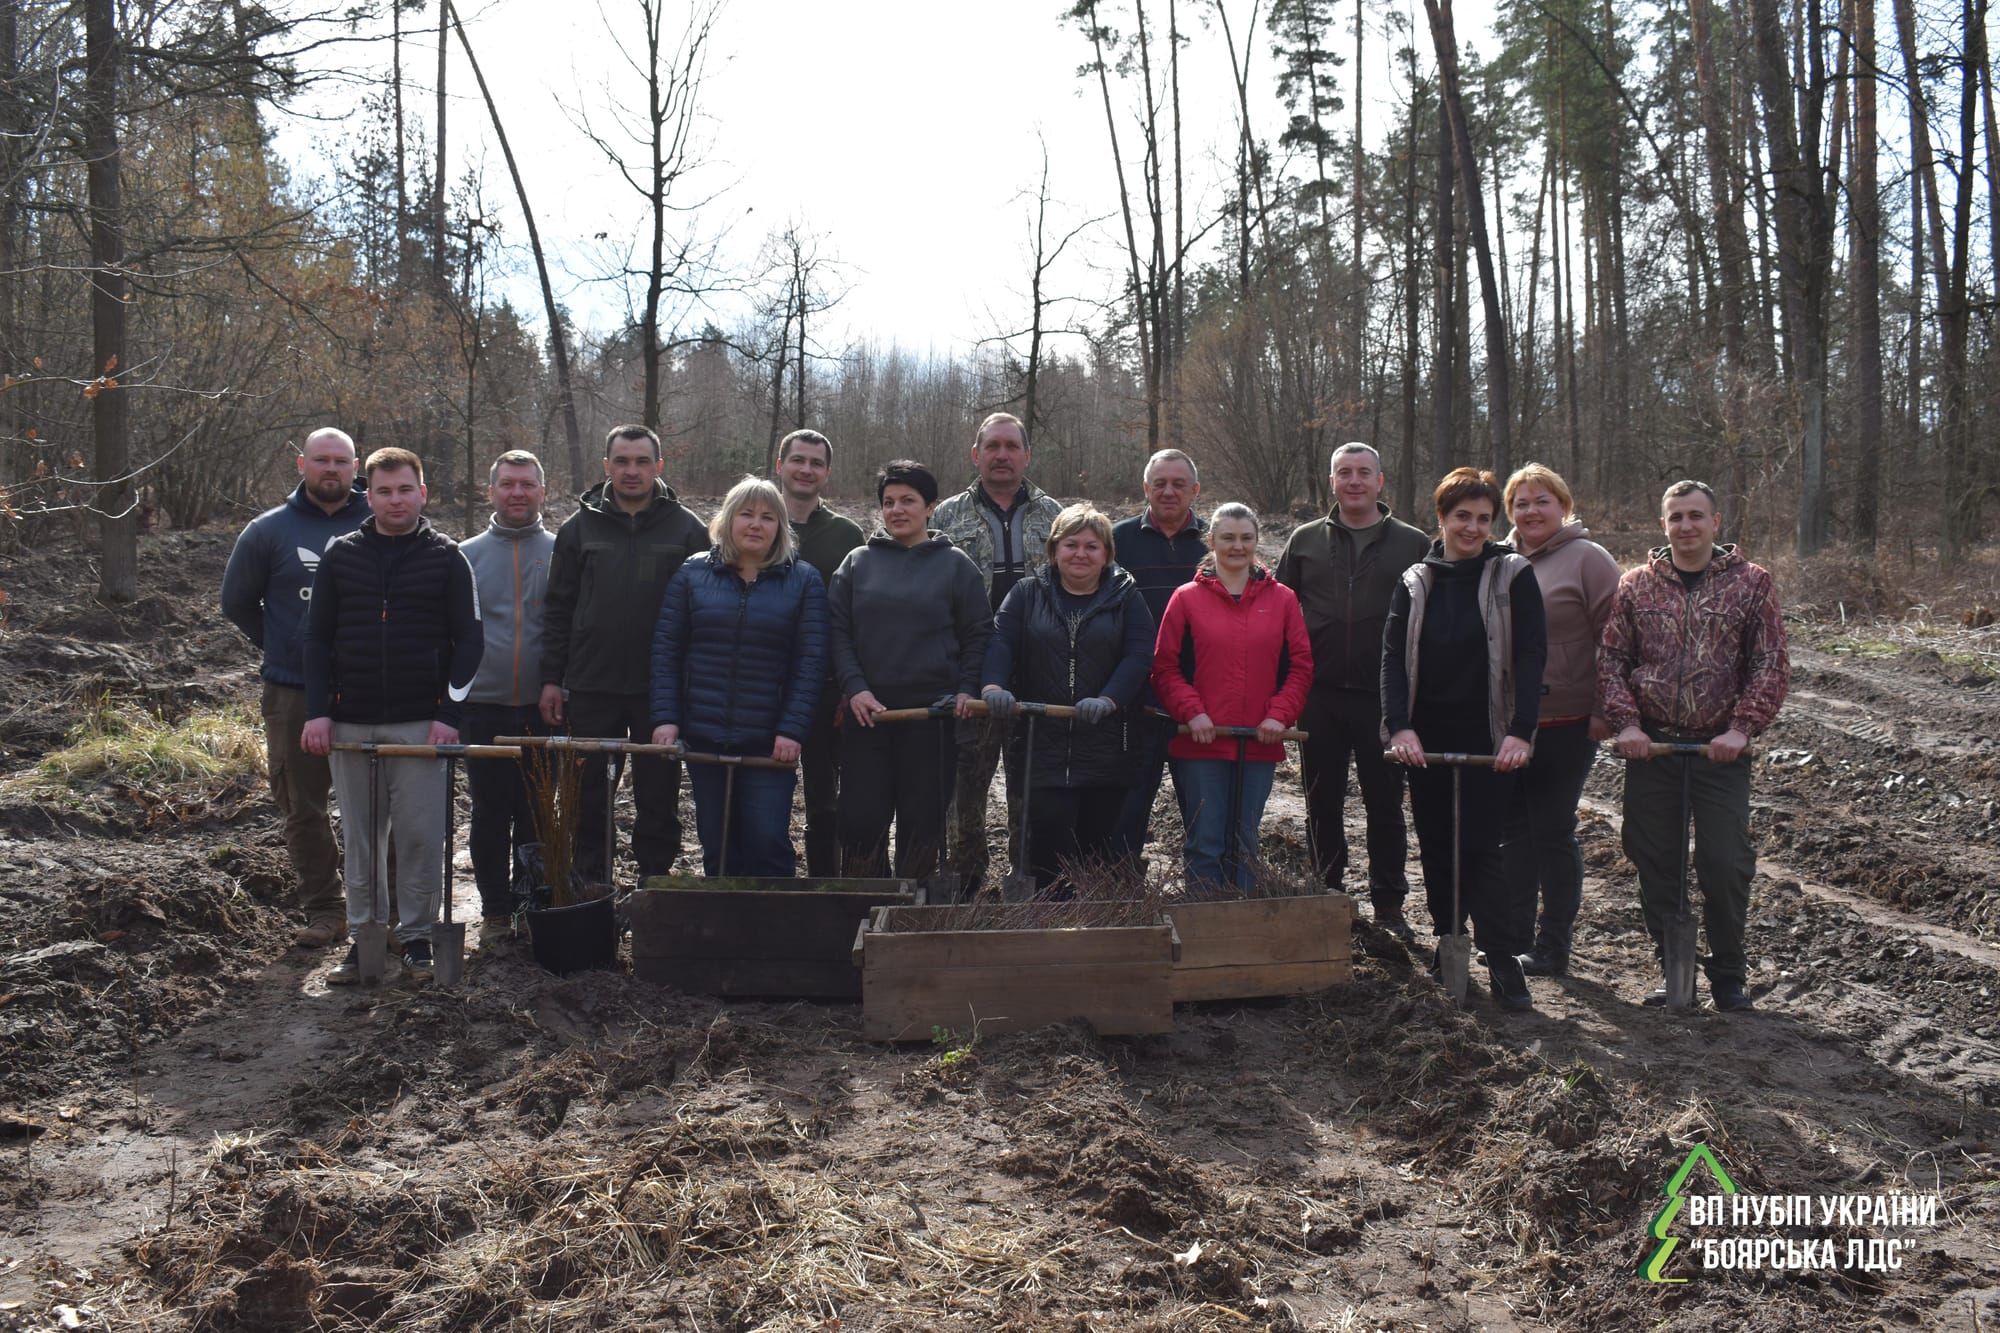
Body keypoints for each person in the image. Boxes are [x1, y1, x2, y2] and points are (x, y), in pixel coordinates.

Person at [1600, 480, 1789, 1012]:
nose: (1686, 526)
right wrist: (1628, 726)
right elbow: (1613, 662)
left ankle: (1729, 974)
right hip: (1653, 748)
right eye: (1676, 517)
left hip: (1718, 751)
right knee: (1654, 859)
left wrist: (1741, 729)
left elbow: (1770, 663)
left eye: (1695, 516)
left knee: (1725, 862)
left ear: (1716, 522)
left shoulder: (1751, 584)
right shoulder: (1636, 585)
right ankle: (1673, 970)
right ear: (1663, 524)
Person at [301, 448, 482, 983]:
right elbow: (316, 639)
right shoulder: (341, 555)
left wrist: (449, 713)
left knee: (421, 836)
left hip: (420, 725)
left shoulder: (448, 558)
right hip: (350, 722)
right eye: (384, 491)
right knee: (362, 839)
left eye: (405, 490)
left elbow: (469, 640)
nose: (395, 500)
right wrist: (318, 713)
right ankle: (366, 942)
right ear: (369, 495)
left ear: (422, 494)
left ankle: (419, 938)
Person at [1382, 467, 1546, 1011]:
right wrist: (1400, 723)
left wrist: (1521, 732)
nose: (1472, 528)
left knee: (1481, 848)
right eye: (1462, 517)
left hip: (1489, 735)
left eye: (1482, 518)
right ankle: (1447, 940)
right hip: (1426, 737)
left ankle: (1500, 955)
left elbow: (1530, 655)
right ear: (1442, 519)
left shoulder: (1512, 574)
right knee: (1436, 845)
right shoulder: (1415, 580)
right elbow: (1392, 660)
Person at [219, 427, 369, 949]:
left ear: (356, 467)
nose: (331, 469)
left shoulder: (383, 521)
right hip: (293, 691)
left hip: (371, 689)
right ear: (301, 465)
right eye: (321, 460)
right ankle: (325, 909)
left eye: (341, 461)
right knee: (302, 806)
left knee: (377, 804)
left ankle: (384, 915)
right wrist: (285, 644)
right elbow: (236, 602)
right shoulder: (268, 531)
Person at [539, 425, 709, 884]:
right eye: (621, 461)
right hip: (592, 684)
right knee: (588, 792)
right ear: (606, 466)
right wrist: (552, 679)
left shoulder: (688, 530)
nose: (631, 471)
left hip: (661, 690)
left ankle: (654, 881)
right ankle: (590, 879)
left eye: (640, 461)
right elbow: (557, 609)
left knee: (659, 795)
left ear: (659, 465)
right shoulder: (578, 529)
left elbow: (705, 615)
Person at [1277, 442, 1432, 939]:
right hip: (1318, 694)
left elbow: (1431, 620)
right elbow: (1279, 610)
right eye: (1344, 473)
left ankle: (1389, 904)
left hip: (1384, 697)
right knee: (1322, 800)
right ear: (1332, 481)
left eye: (1364, 473)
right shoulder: (1303, 541)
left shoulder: (1413, 544)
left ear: (1380, 481)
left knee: (1385, 804)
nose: (1355, 481)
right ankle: (1327, 892)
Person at [651, 476, 825, 877]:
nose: (755, 524)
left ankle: (772, 930)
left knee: (767, 841)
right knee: (718, 845)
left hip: (769, 741)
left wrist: (792, 729)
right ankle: (722, 932)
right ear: (727, 521)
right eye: (746, 514)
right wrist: (666, 718)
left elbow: (810, 662)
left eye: (767, 517)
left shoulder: (803, 580)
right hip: (705, 735)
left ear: (780, 527)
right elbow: (666, 651)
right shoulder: (692, 575)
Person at [828, 460, 990, 880]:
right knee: (861, 821)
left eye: (908, 501)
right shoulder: (856, 563)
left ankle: (911, 910)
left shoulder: (956, 566)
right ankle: (863, 906)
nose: (897, 509)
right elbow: (838, 633)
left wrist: (966, 689)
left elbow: (977, 635)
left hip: (931, 719)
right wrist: (855, 687)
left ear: (931, 506)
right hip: (868, 717)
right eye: (888, 502)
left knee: (922, 824)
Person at [980, 505, 1155, 893]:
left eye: (1091, 546)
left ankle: (1092, 929)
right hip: (1042, 745)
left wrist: (1110, 699)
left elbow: (1139, 655)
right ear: (1054, 550)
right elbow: (1001, 641)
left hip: (1106, 745)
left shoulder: (1126, 597)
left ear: (1107, 553)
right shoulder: (1026, 594)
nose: (1080, 554)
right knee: (1047, 848)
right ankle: (1048, 924)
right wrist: (993, 685)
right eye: (1070, 544)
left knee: (1095, 851)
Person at [931, 412, 1064, 890]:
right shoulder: (945, 517)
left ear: (1027, 455)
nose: (1002, 455)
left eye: (1012, 446)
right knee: (965, 784)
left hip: (1039, 670)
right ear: (976, 454)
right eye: (993, 446)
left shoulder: (1057, 517)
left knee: (1031, 782)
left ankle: (1028, 875)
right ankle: (965, 878)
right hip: (968, 670)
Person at [1498, 463, 1622, 977]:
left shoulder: (1588, 560)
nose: (1531, 511)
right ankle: (1515, 939)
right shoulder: (1499, 560)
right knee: (1512, 832)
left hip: (1569, 718)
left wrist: (1604, 709)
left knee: (1552, 829)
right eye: (1521, 503)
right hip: (1508, 723)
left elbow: (1616, 642)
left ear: (1563, 505)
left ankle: (1554, 945)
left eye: (1541, 500)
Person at [1150, 503, 1313, 892]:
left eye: (1246, 538)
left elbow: (1301, 667)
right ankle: (1202, 928)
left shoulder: (1283, 600)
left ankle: (1241, 928)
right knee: (1205, 843)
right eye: (1227, 538)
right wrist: (1193, 713)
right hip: (1202, 741)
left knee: (1244, 844)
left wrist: (1279, 715)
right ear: (1211, 541)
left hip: (1259, 741)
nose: (1237, 546)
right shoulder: (1186, 598)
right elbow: (1165, 667)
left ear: (1257, 541)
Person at [459, 450, 555, 937]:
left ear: (544, 490)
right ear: (491, 490)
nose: (517, 492)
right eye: (508, 484)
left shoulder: (561, 551)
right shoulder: (464, 555)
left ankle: (531, 903)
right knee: (490, 811)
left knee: (538, 810)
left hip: (545, 709)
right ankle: (495, 909)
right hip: (484, 707)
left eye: (527, 484)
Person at [1110, 448, 1209, 866]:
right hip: (1133, 701)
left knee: (1203, 811)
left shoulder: (1216, 543)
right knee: (1125, 811)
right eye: (1160, 483)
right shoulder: (1116, 541)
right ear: (1145, 488)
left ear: (1195, 490)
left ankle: (1206, 896)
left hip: (1199, 704)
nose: (1169, 492)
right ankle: (1121, 898)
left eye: (1179, 484)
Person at [773, 428, 865, 876]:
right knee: (766, 795)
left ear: (826, 473)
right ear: (780, 466)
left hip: (828, 689)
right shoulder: (756, 521)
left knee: (826, 800)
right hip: (764, 688)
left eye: (815, 463)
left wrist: (853, 686)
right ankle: (769, 883)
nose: (806, 469)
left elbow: (859, 616)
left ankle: (826, 885)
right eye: (798, 460)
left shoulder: (846, 536)